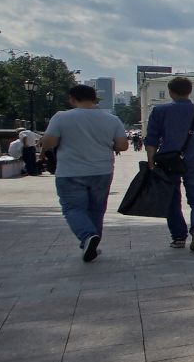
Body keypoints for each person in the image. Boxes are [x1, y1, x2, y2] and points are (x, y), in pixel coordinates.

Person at [40, 84, 129, 262]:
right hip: (102, 170)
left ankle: (87, 236)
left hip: (70, 171)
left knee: (73, 208)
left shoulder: (61, 117)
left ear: (73, 99)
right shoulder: (111, 119)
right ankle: (91, 244)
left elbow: (48, 143)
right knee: (97, 209)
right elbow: (123, 145)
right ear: (95, 99)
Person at [143, 75, 194, 251]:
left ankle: (178, 237)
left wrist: (151, 161)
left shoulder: (160, 111)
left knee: (171, 199)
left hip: (168, 162)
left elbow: (152, 139)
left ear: (170, 91)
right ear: (190, 91)